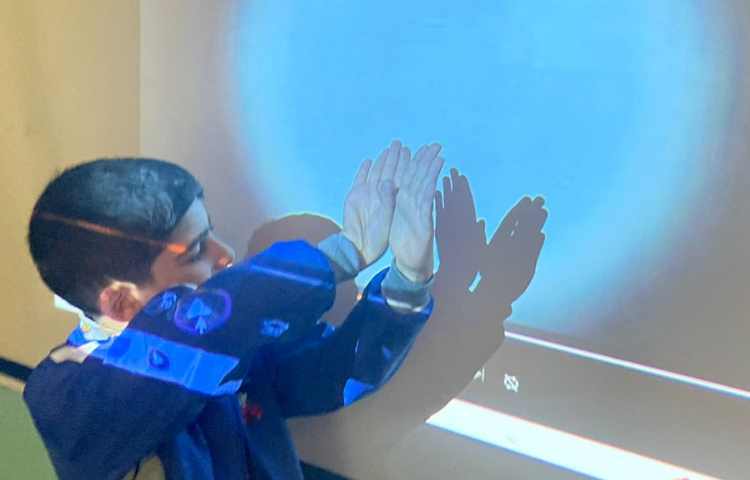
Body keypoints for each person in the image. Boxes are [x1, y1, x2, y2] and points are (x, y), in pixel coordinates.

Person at [23, 140, 444, 479]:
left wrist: (407, 281)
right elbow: (189, 334)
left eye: (211, 234)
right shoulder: (66, 397)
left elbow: (332, 375)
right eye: (195, 251)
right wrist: (342, 255)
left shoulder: (231, 347)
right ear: (120, 301)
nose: (225, 254)